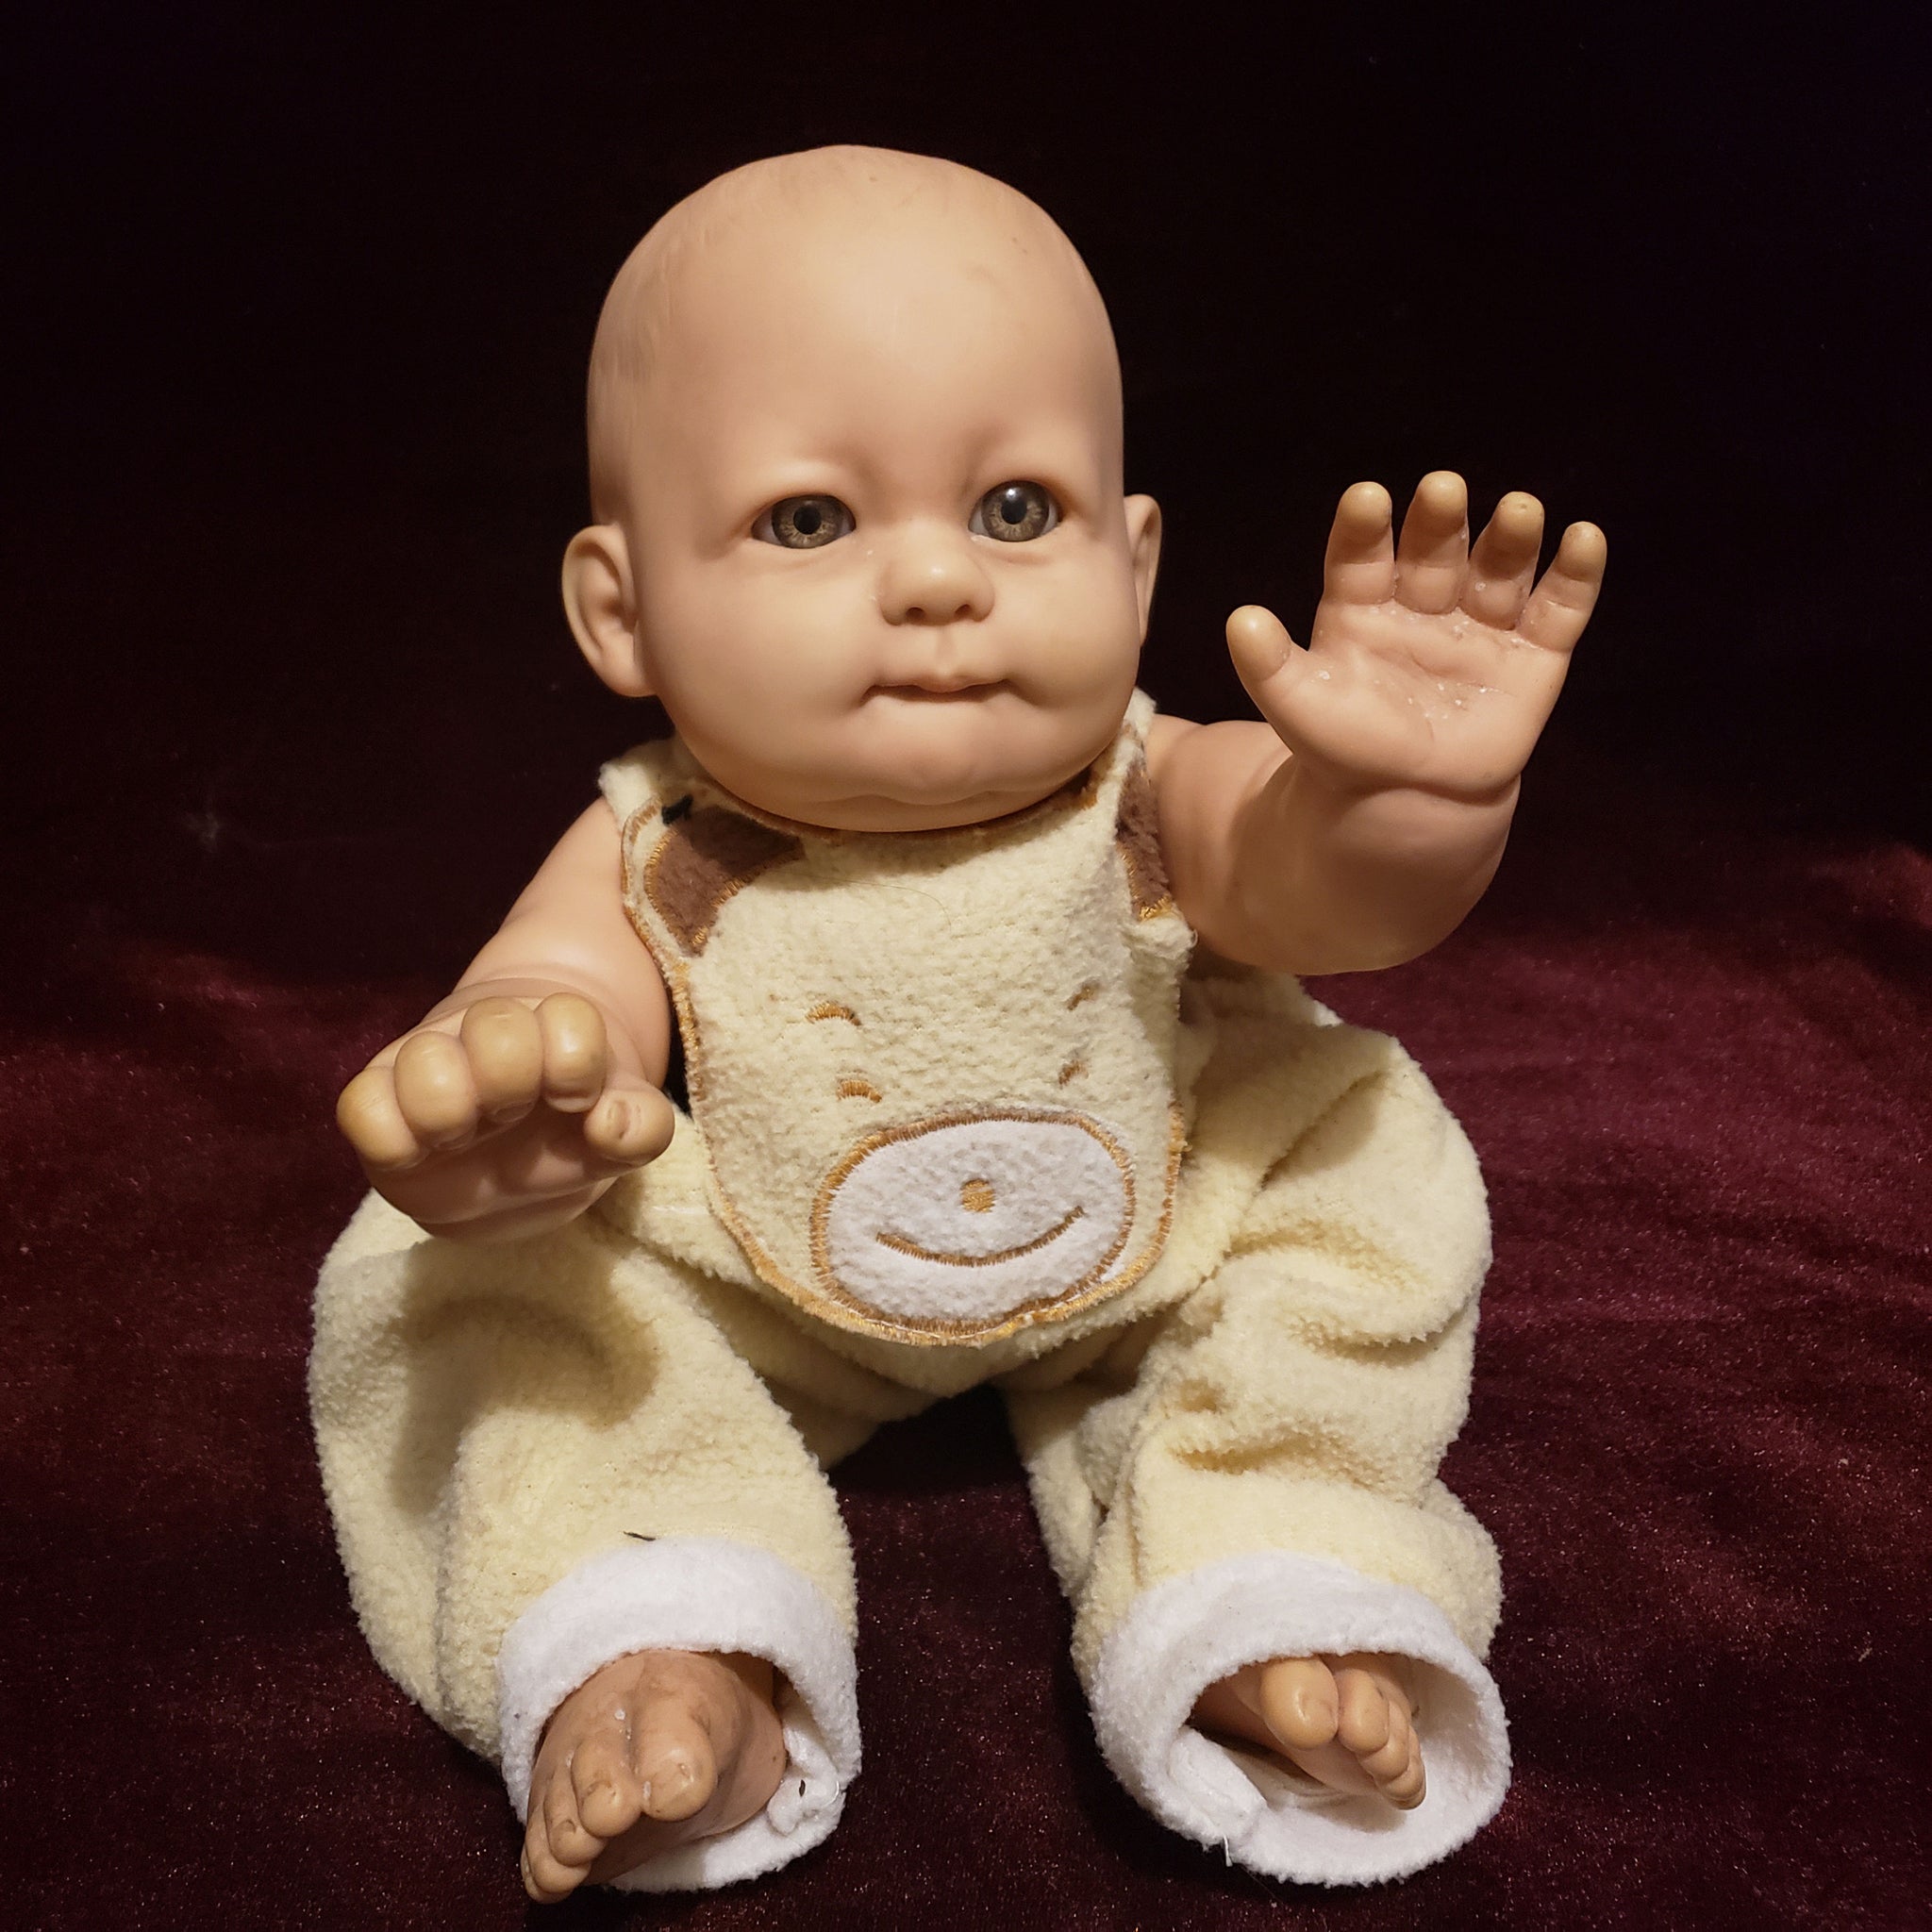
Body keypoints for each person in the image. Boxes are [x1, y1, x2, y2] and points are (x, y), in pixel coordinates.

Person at [314, 144, 1606, 1900]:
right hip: (760, 1284)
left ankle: (1274, 1572)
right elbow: (556, 995)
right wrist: (515, 1105)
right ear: (623, 608)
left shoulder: (1153, 784)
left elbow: (1322, 897)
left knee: (1359, 1164)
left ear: (1135, 564)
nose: (937, 581)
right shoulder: (660, 841)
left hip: (1160, 1242)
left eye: (1013, 509)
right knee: (470, 1296)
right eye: (809, 520)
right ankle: (661, 1623)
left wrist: (1407, 801)